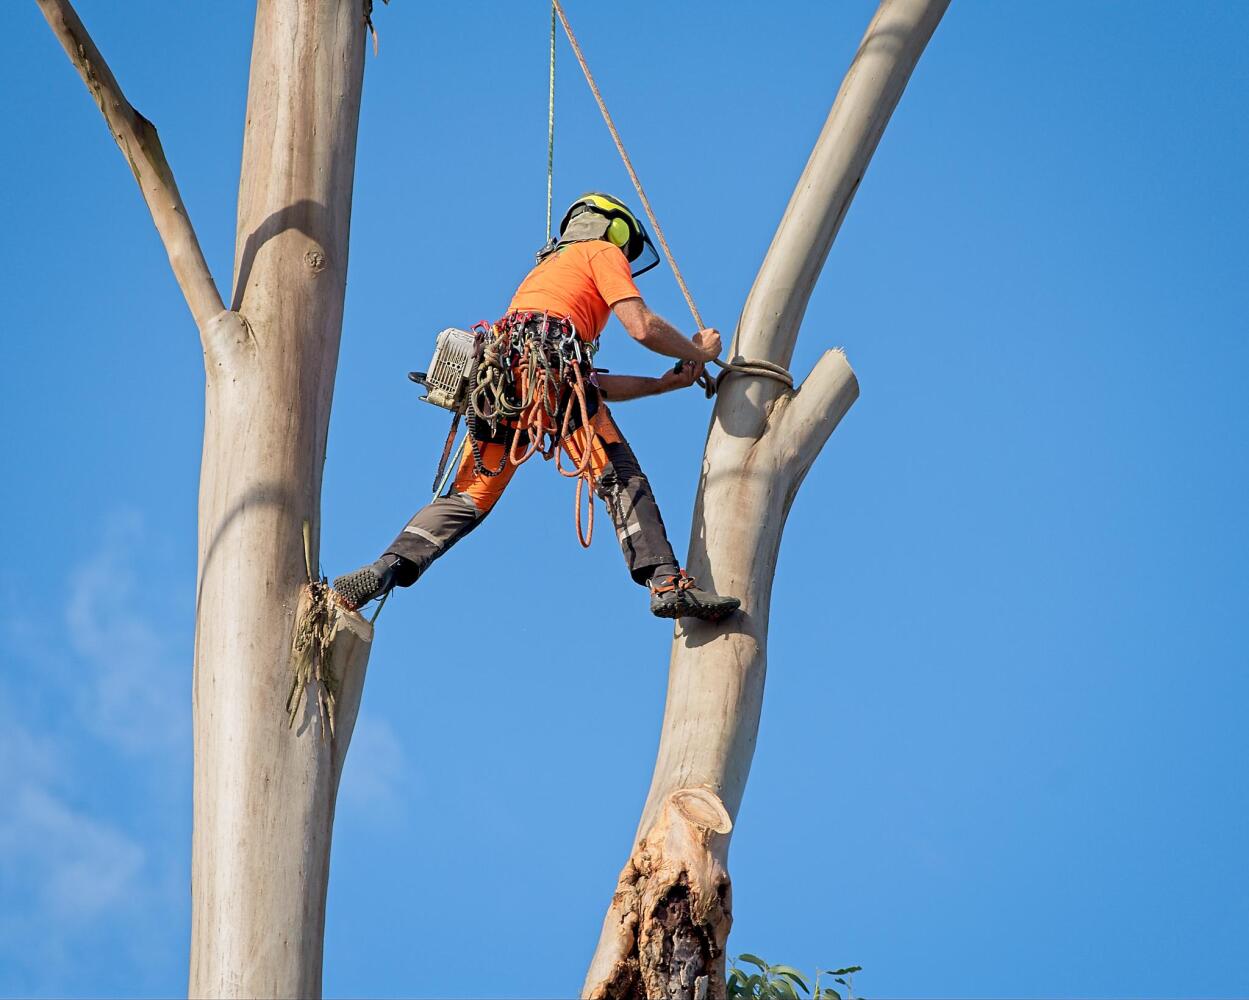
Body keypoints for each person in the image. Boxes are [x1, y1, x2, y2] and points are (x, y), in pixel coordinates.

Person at [332, 192, 741, 622]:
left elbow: (588, 382)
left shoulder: (547, 272)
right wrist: (701, 351)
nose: (625, 254)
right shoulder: (600, 252)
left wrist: (660, 384)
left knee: (469, 498)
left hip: (504, 385)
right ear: (611, 227)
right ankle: (666, 583)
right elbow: (641, 327)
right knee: (620, 477)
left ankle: (387, 567)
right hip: (550, 377)